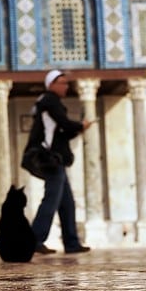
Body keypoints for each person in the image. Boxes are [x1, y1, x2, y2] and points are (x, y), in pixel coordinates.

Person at [26, 69, 94, 255]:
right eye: (63, 83)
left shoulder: (51, 103)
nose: (66, 87)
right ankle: (34, 240)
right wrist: (80, 125)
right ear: (52, 85)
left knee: (67, 203)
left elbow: (61, 132)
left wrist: (79, 129)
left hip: (56, 159)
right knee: (51, 199)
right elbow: (64, 124)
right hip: (49, 158)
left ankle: (71, 243)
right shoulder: (49, 101)